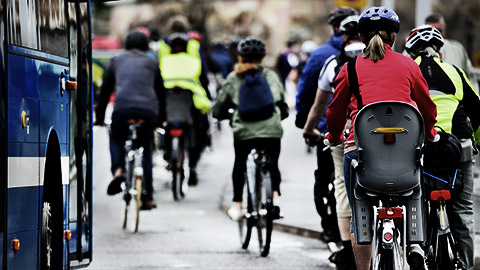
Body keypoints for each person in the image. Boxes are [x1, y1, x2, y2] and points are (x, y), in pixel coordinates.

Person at [324, 7, 438, 270]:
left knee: (360, 210)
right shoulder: (409, 65)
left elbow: (335, 112)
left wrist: (332, 136)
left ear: (361, 37)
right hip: (403, 162)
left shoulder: (350, 68)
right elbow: (427, 107)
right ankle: (415, 245)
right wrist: (430, 133)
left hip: (363, 160)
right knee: (415, 188)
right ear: (394, 37)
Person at [405, 24, 480, 270]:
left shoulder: (408, 72)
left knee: (416, 199)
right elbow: (477, 110)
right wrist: (476, 143)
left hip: (422, 149)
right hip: (460, 148)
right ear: (439, 50)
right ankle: (467, 266)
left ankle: (418, 247)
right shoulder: (455, 72)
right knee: (464, 210)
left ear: (411, 51)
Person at [302, 15, 364, 270]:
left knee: (342, 182)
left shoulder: (335, 62)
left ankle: (348, 248)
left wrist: (310, 129)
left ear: (342, 37)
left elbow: (322, 104)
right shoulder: (385, 58)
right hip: (388, 128)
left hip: (348, 131)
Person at [212, 37, 289, 221]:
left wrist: (222, 115)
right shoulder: (270, 76)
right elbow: (283, 106)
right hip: (271, 130)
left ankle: (238, 206)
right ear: (262, 57)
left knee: (240, 164)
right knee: (272, 163)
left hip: (244, 132)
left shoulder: (233, 78)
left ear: (240, 56)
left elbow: (218, 108)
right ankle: (276, 199)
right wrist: (279, 116)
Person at [94, 30, 166, 210]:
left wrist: (100, 118)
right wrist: (160, 120)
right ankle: (147, 197)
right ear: (146, 45)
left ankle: (118, 170)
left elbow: (105, 92)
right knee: (146, 149)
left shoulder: (116, 61)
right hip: (147, 112)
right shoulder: (152, 62)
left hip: (123, 109)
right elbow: (161, 94)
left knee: (116, 138)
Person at [157, 16, 212, 186]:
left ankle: (167, 152)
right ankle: (193, 166)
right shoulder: (194, 47)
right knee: (197, 127)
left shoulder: (163, 48)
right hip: (191, 97)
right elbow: (203, 75)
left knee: (163, 123)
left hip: (168, 96)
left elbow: (157, 72)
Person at [425, 14, 478, 91]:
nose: (435, 34)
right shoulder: (411, 51)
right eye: (431, 30)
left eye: (439, 30)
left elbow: (471, 78)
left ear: (444, 30)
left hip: (456, 101)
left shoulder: (458, 50)